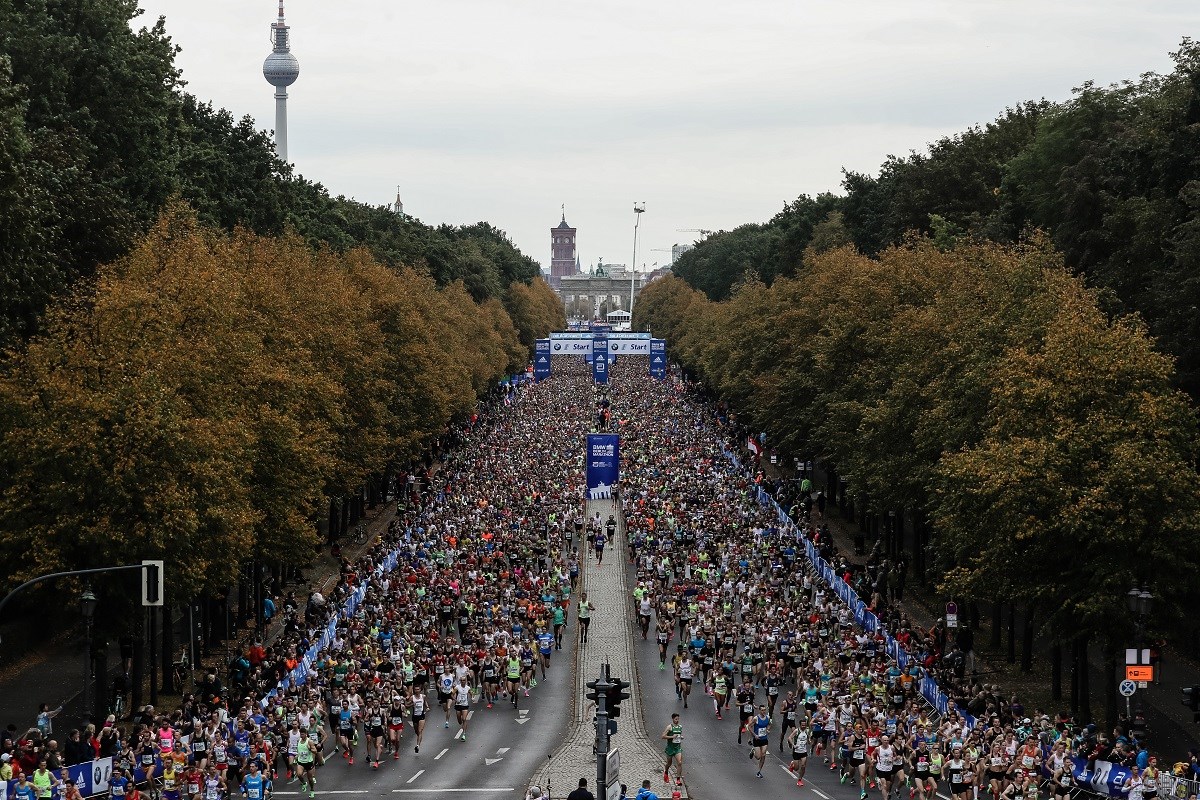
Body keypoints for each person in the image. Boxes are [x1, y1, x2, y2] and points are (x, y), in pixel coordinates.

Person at [661, 713, 683, 786]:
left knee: (679, 762)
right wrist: (672, 737)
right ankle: (666, 772)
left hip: (677, 748)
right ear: (673, 719)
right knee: (669, 763)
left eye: (678, 719)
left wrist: (681, 737)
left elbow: (678, 736)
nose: (677, 720)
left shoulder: (680, 727)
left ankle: (678, 780)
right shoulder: (669, 727)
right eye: (676, 719)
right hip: (670, 748)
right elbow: (663, 736)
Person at [750, 704, 771, 778]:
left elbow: (769, 724)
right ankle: (753, 750)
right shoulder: (756, 718)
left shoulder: (767, 717)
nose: (763, 711)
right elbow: (749, 726)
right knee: (758, 757)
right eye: (762, 710)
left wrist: (768, 729)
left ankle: (759, 771)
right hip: (757, 739)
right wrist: (754, 735)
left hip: (764, 739)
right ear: (759, 710)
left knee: (763, 755)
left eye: (764, 710)